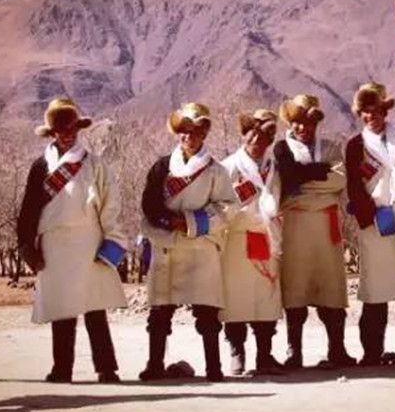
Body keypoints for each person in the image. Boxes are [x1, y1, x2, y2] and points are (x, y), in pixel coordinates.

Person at [17, 97, 126, 383]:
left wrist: (112, 240)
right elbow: (29, 209)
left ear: (78, 129)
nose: (67, 134)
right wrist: (27, 245)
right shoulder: (40, 167)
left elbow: (110, 204)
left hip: (89, 241)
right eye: (60, 130)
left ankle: (106, 368)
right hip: (53, 245)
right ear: (52, 133)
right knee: (61, 308)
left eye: (71, 128)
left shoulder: (95, 164)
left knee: (95, 308)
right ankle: (62, 368)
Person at [140, 102, 234, 382]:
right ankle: (154, 365)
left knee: (207, 312)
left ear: (204, 134)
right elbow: (149, 203)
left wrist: (190, 221)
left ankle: (214, 368)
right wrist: (168, 221)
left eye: (195, 132)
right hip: (167, 245)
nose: (189, 137)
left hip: (200, 247)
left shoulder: (216, 171)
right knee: (160, 311)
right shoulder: (161, 167)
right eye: (184, 131)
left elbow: (227, 208)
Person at [275, 94, 355, 370]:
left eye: (309, 123)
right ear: (290, 123)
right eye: (297, 122)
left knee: (331, 288)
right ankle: (294, 351)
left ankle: (337, 349)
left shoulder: (330, 147)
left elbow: (340, 179)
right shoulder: (281, 150)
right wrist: (319, 177)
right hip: (294, 228)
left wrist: (301, 182)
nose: (303, 128)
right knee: (295, 288)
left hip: (325, 226)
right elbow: (285, 182)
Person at [344, 83, 395, 367]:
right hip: (373, 222)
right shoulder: (355, 146)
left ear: (384, 111)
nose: (370, 116)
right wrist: (368, 216)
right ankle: (372, 351)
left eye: (375, 110)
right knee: (374, 291)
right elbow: (354, 185)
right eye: (365, 111)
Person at [220, 109, 285, 376]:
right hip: (238, 238)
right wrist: (238, 199)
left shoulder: (275, 168)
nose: (257, 139)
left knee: (266, 297)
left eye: (264, 135)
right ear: (243, 134)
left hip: (267, 236)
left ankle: (265, 355)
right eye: (252, 133)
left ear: (271, 139)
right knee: (236, 298)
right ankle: (237, 352)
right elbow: (218, 206)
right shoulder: (227, 167)